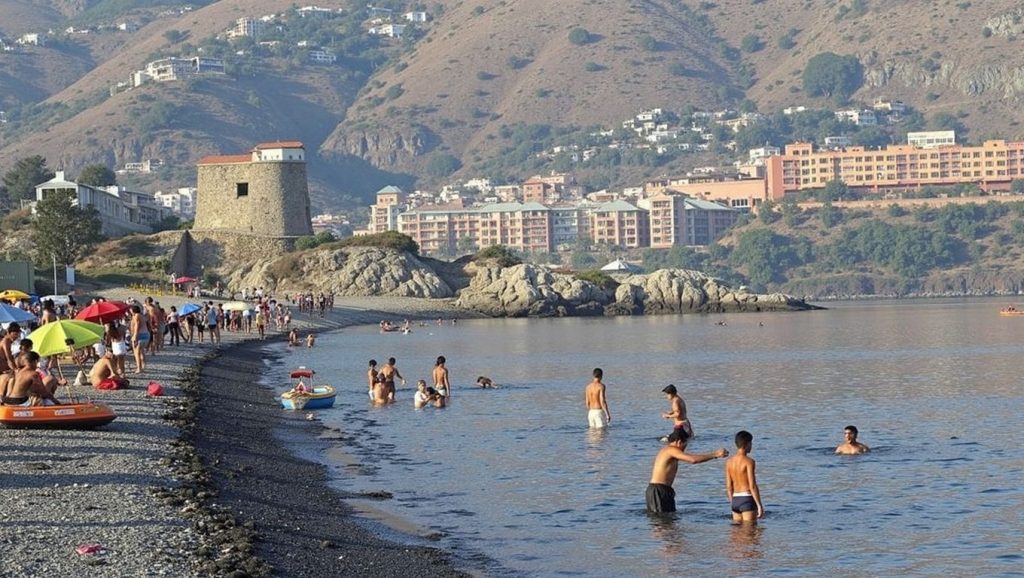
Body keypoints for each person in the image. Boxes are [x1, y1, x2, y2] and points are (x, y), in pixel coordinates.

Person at [646, 429, 728, 514]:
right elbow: (693, 460)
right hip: (658, 490)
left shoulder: (668, 451)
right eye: (685, 445)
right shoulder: (671, 450)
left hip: (662, 490)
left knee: (669, 519)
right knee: (661, 519)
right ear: (679, 442)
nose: (684, 449)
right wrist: (715, 454)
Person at [725, 430, 765, 523]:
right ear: (747, 444)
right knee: (750, 530)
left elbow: (729, 486)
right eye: (751, 443)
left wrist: (732, 503)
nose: (751, 446)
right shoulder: (749, 462)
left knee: (737, 531)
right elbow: (752, 486)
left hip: (735, 499)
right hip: (747, 499)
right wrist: (759, 505)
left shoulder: (729, 462)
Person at [0, 323, 23, 398]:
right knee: (13, 378)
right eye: (15, 334)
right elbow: (9, 359)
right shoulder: (6, 341)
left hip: (4, 369)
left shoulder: (8, 342)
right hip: (2, 370)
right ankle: (6, 397)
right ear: (9, 333)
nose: (16, 337)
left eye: (18, 335)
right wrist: (15, 369)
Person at [129, 305, 148, 374]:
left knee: (136, 353)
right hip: (144, 335)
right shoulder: (141, 316)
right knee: (141, 351)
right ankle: (143, 366)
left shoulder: (136, 316)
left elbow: (137, 326)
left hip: (139, 335)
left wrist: (135, 337)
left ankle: (139, 368)